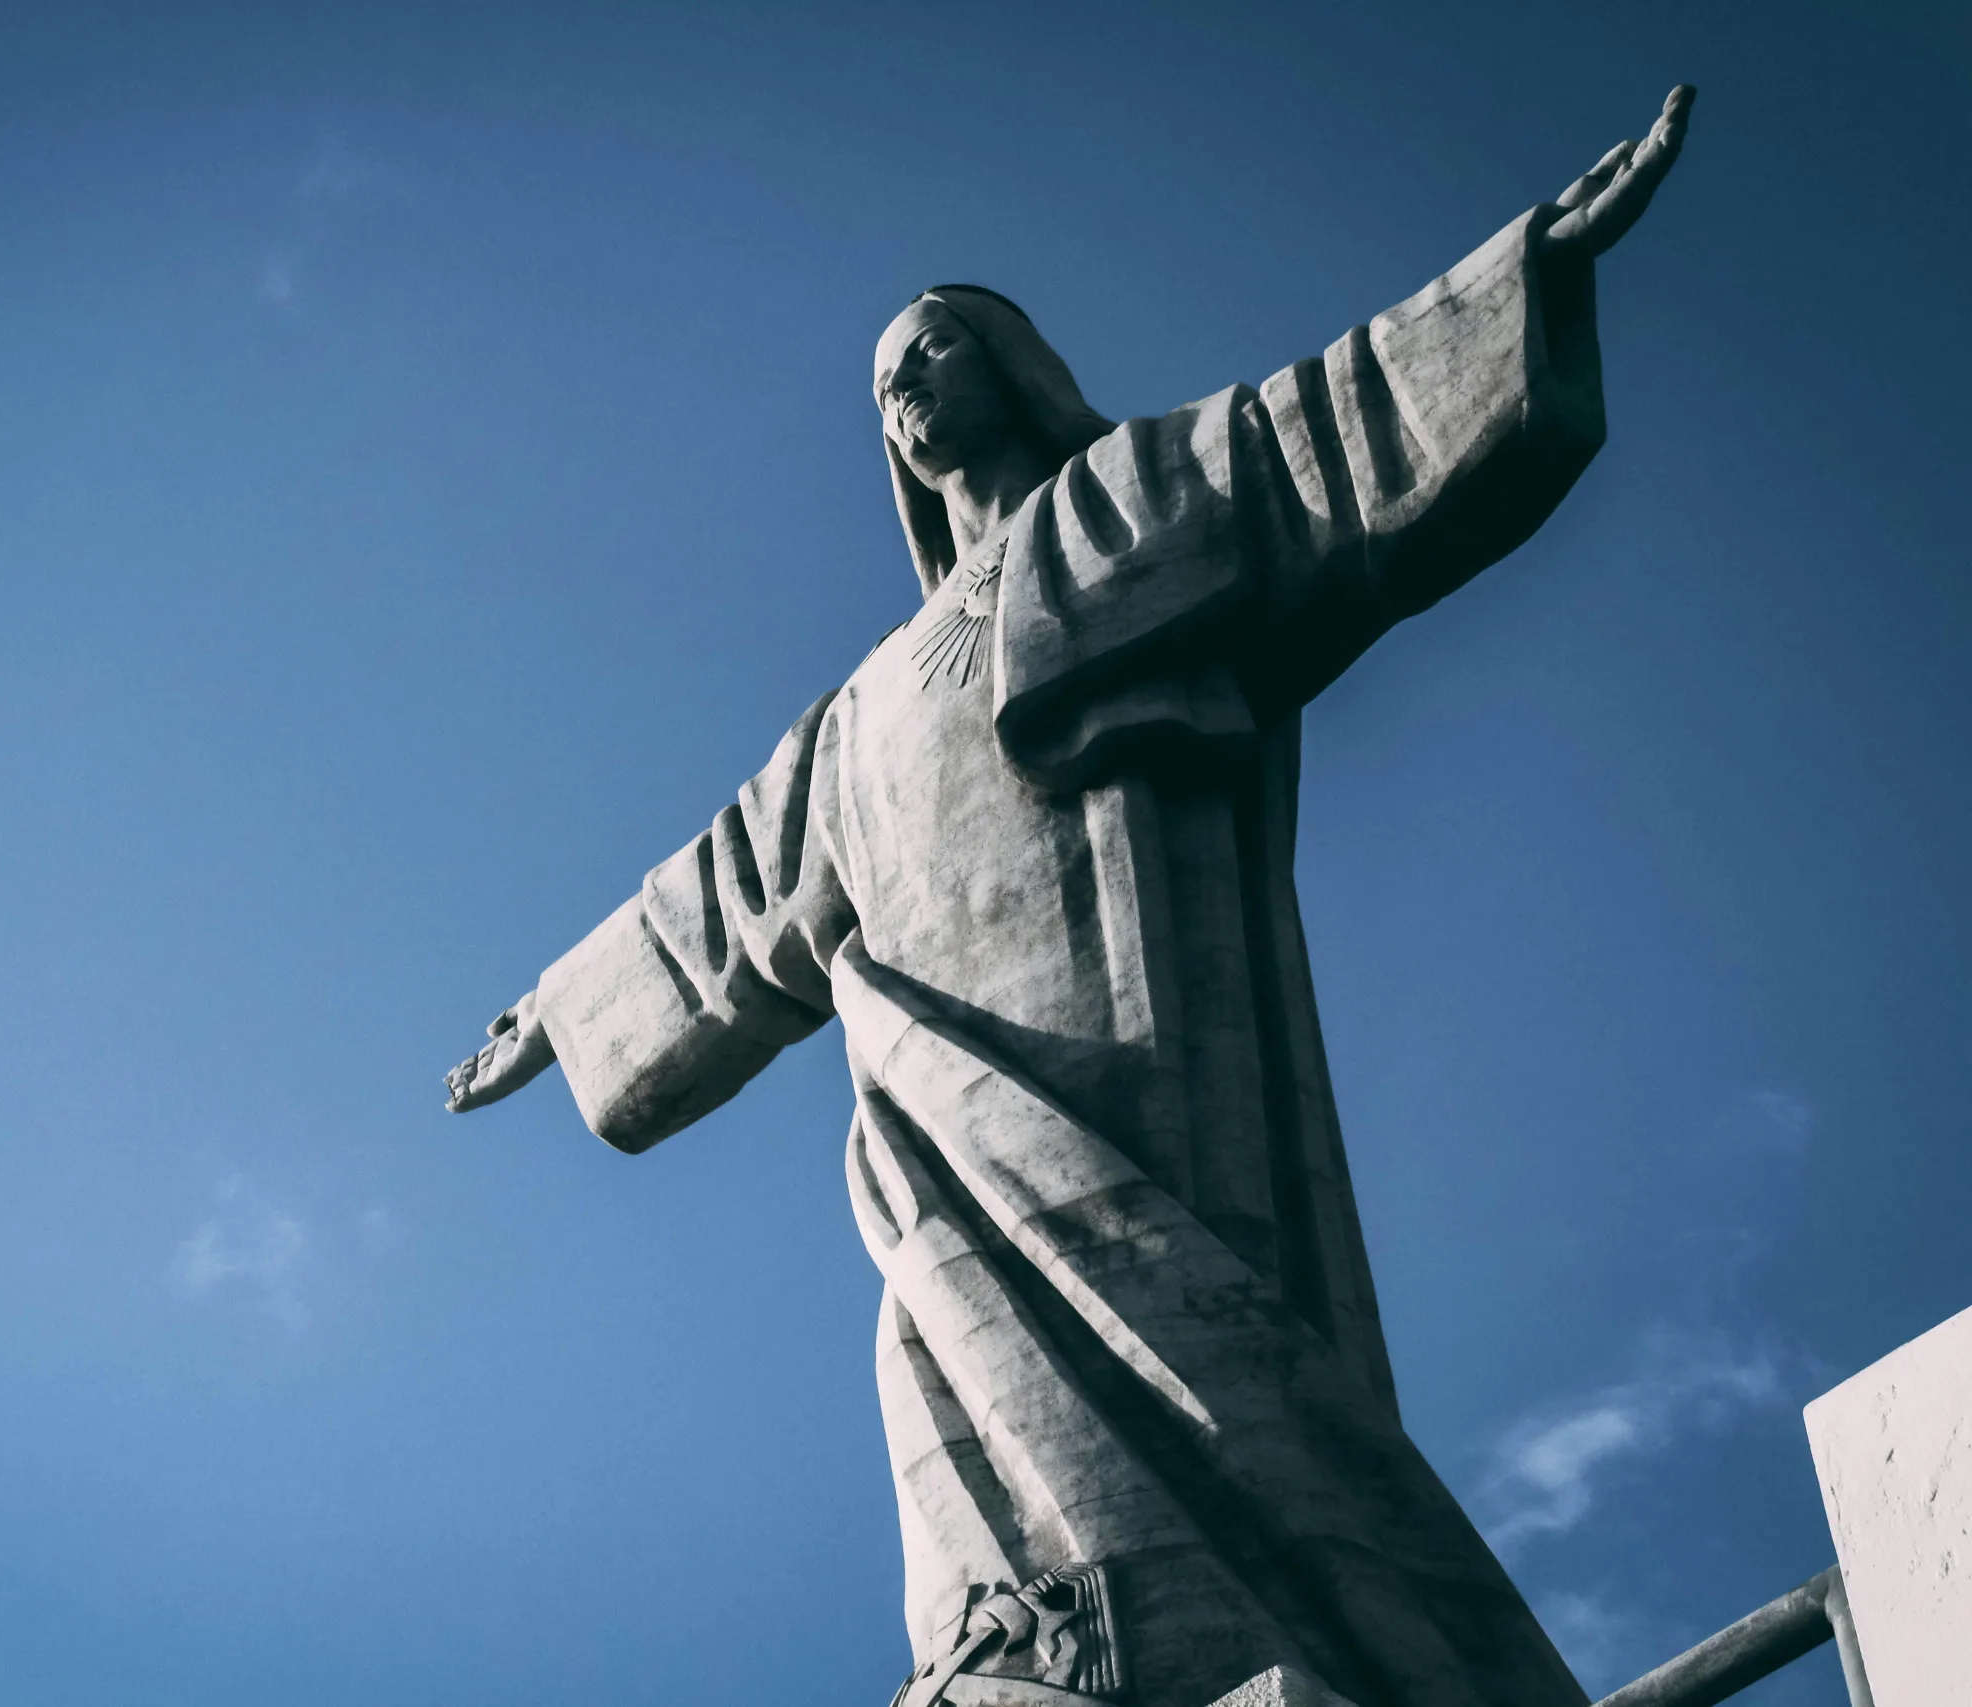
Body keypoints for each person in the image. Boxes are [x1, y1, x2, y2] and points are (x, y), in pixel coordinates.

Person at [447, 88, 1694, 1707]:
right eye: (885, 379)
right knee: (949, 1372)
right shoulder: (859, 712)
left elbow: (1325, 432)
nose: (906, 383)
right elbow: (727, 888)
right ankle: (1015, 1662)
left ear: (1016, 370)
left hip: (1139, 1047)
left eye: (937, 346)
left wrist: (1527, 269)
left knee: (1193, 1321)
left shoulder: (1140, 504)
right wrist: (564, 1000)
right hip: (933, 1121)